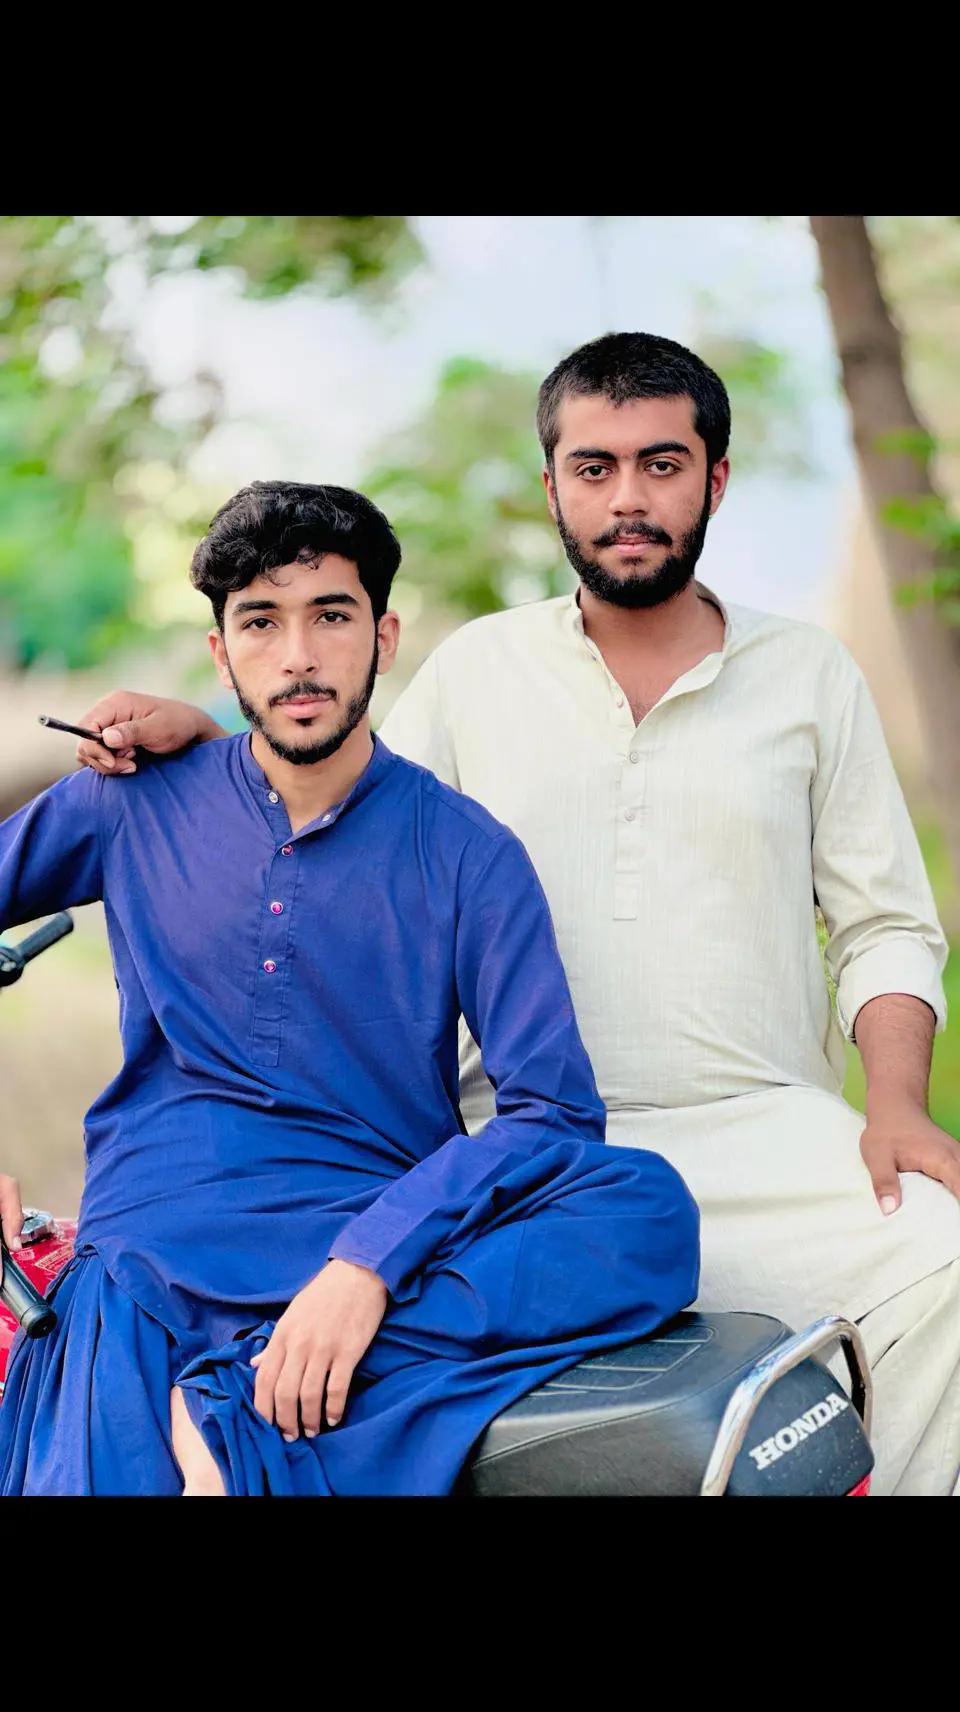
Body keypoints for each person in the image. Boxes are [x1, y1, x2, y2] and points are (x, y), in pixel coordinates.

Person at [74, 334, 960, 1497]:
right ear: (552, 488)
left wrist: (896, 1104)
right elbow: (336, 794)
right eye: (595, 468)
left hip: (764, 1129)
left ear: (715, 478)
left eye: (661, 464)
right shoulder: (479, 670)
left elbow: (884, 925)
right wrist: (208, 736)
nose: (628, 498)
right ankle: (249, 1416)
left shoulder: (811, 674)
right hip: (515, 1150)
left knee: (943, 1255)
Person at [0, 480, 699, 1497]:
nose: (298, 656)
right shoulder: (131, 803)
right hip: (157, 1249)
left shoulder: (466, 852)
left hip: (368, 1230)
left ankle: (237, 1409)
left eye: (331, 616)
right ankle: (277, 1416)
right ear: (221, 653)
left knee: (648, 1211)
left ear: (384, 635)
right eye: (261, 622)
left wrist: (365, 1266)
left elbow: (553, 1114)